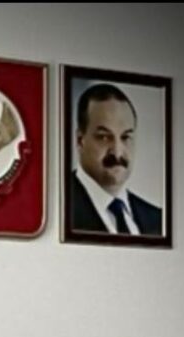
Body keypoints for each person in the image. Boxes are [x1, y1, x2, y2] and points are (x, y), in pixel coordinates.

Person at [71, 82, 163, 236]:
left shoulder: (158, 219)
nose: (117, 152)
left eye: (126, 137)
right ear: (80, 140)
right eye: (104, 137)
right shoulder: (61, 208)